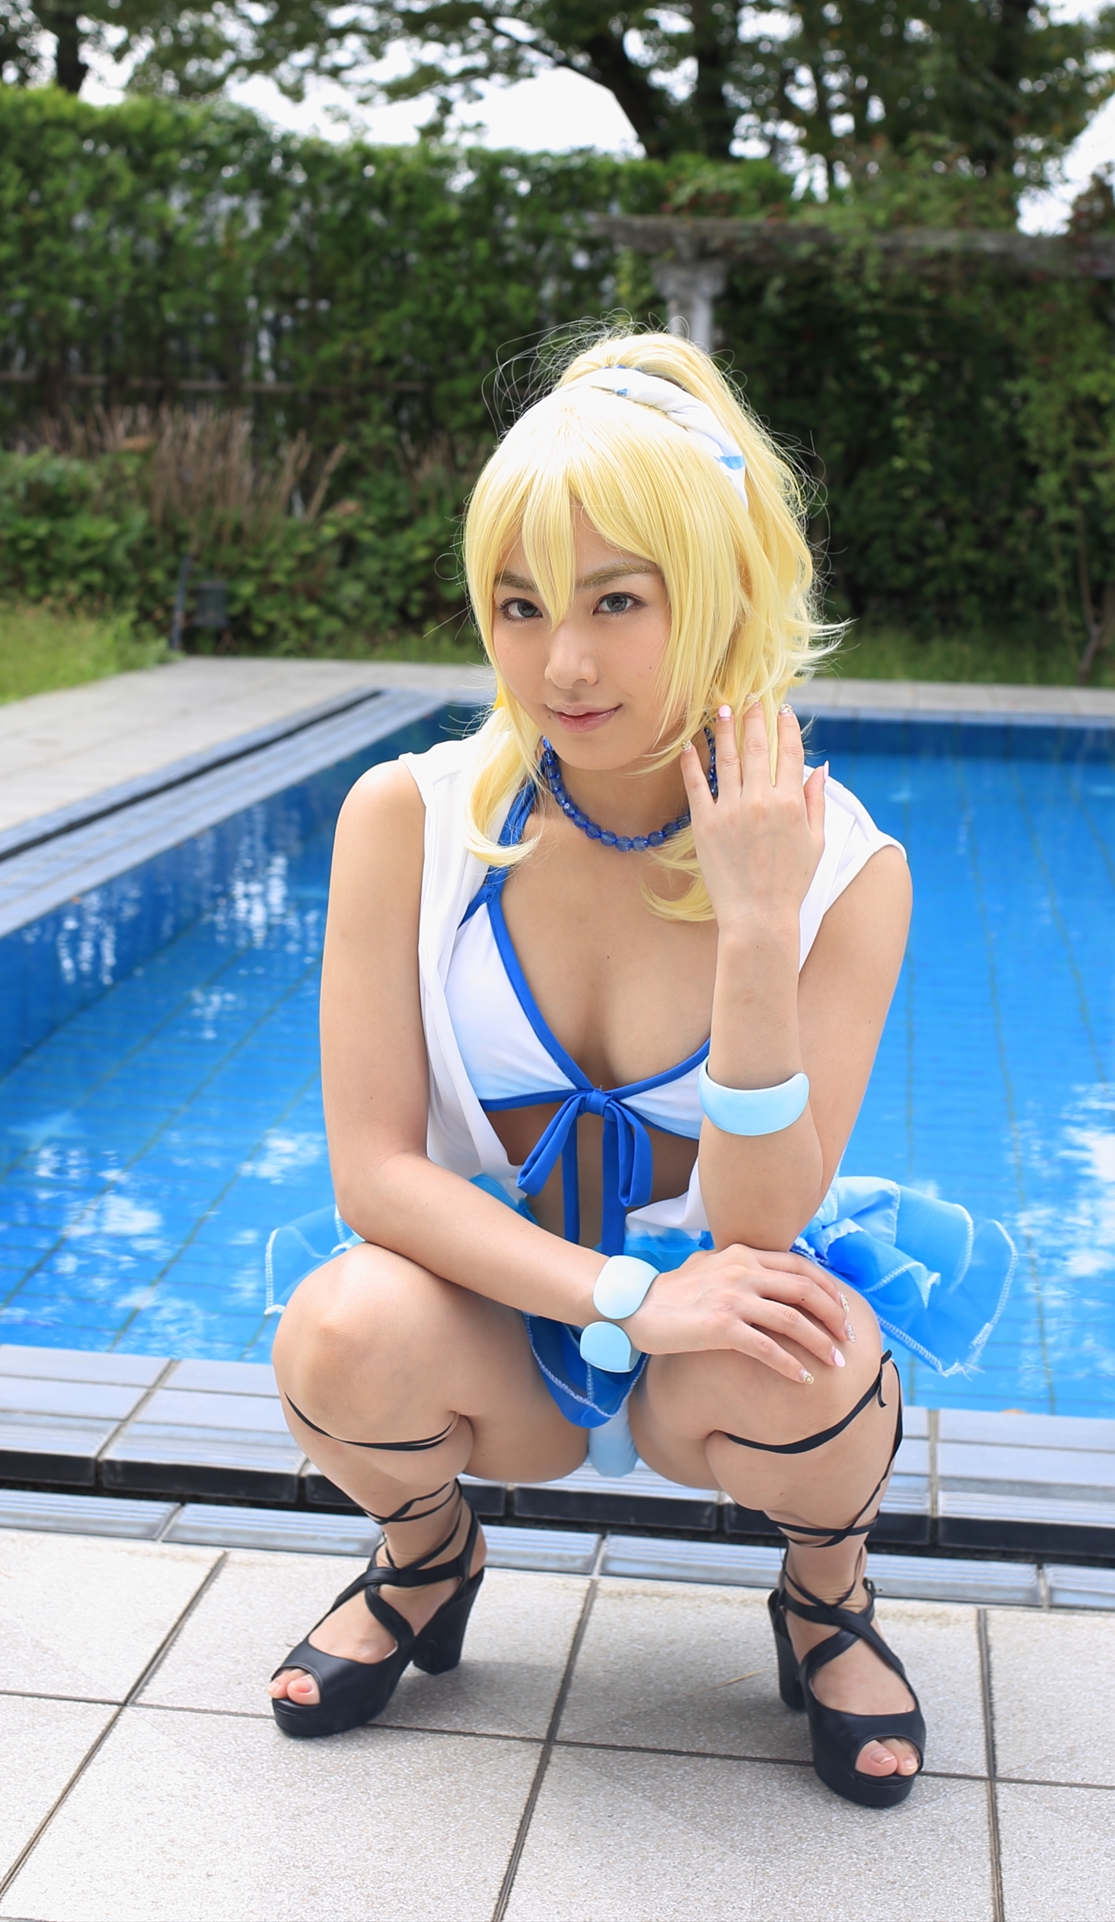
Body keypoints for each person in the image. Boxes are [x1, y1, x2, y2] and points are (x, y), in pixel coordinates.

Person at [265, 333, 1015, 1810]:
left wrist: (756, 924)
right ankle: (426, 1558)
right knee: (337, 1331)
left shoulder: (846, 871)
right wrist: (622, 1294)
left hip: (712, 1334)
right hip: (502, 1313)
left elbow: (757, 1222)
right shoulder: (407, 820)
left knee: (814, 1356)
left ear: (716, 593)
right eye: (520, 605)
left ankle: (826, 1595)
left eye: (616, 601)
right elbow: (376, 1176)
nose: (563, 663)